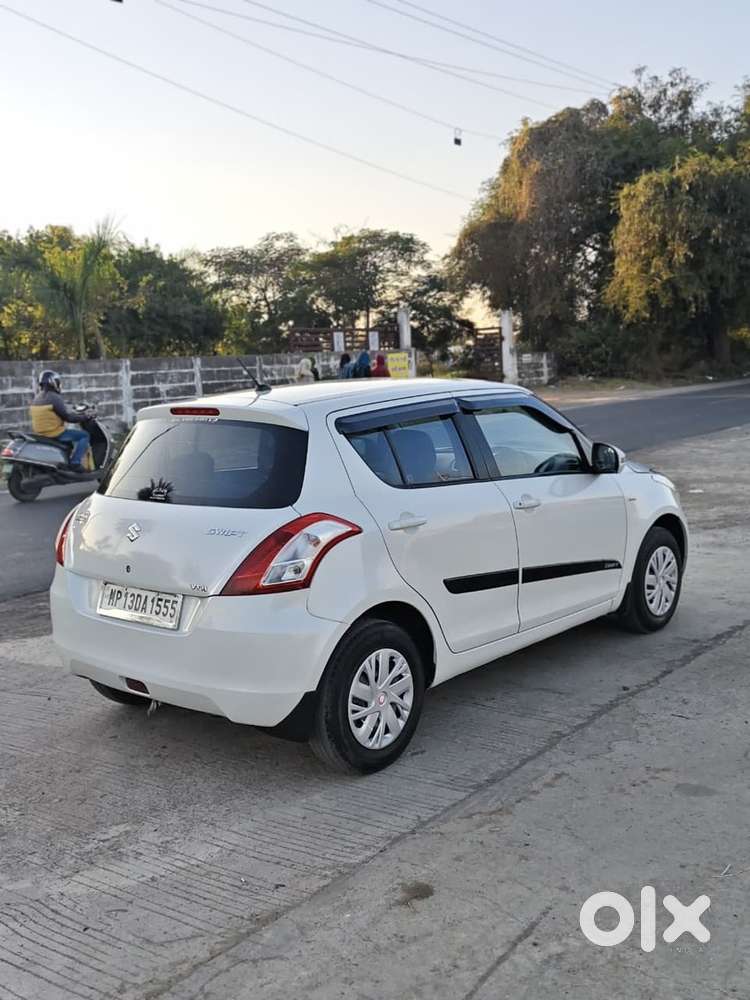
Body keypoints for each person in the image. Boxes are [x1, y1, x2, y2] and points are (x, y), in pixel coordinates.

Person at [29, 370, 90, 473]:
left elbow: (57, 413)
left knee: (70, 437)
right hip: (54, 433)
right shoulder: (54, 397)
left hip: (40, 433)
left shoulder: (37, 398)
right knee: (84, 435)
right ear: (53, 382)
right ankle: (75, 463)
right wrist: (84, 417)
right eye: (57, 381)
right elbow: (68, 417)